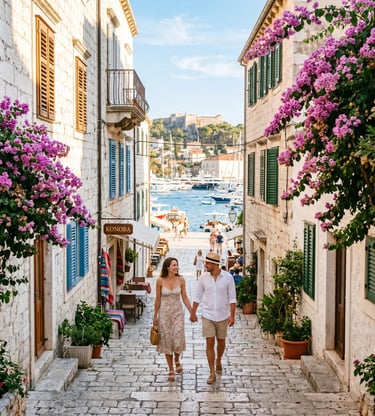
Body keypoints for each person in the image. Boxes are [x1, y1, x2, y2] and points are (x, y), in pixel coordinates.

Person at [190, 252, 236, 385]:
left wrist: (232, 315)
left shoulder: (227, 278)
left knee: (221, 342)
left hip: (222, 315)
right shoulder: (203, 278)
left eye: (207, 263)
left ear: (215, 264)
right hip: (207, 314)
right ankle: (212, 372)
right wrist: (193, 312)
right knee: (209, 342)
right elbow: (197, 296)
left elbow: (232, 298)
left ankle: (219, 360)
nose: (205, 265)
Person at [153, 257, 194, 382]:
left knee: (177, 338)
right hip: (165, 315)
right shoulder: (160, 281)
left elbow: (185, 297)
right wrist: (155, 316)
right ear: (167, 267)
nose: (176, 267)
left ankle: (177, 358)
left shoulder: (181, 280)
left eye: (177, 265)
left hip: (177, 313)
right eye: (174, 265)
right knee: (166, 341)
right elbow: (158, 300)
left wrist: (192, 311)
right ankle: (171, 368)